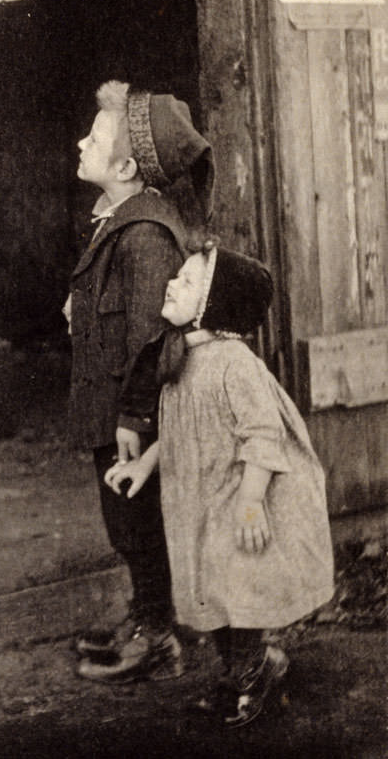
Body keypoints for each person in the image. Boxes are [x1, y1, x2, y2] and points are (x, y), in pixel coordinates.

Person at [105, 242, 334, 727]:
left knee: (239, 593)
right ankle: (248, 670)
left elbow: (263, 433)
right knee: (213, 594)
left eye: (186, 282)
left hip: (237, 496)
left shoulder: (234, 364)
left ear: (213, 306)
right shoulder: (182, 361)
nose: (171, 283)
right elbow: (180, 430)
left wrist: (252, 501)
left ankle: (251, 679)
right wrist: (144, 465)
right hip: (201, 501)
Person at [66, 80, 213, 683]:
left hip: (130, 415)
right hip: (115, 408)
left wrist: (135, 419)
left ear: (125, 167)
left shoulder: (147, 235)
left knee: (139, 525)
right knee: (127, 522)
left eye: (95, 138)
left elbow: (155, 338)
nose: (82, 141)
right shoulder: (121, 221)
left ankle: (156, 636)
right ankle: (145, 617)